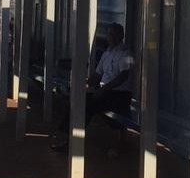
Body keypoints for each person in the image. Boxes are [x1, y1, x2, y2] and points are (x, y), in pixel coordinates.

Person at [51, 23, 135, 153]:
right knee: (78, 99)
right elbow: (97, 74)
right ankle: (65, 134)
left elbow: (124, 76)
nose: (110, 37)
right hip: (105, 92)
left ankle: (71, 140)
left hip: (119, 95)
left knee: (87, 104)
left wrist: (104, 89)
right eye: (109, 34)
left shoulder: (126, 53)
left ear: (121, 35)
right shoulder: (107, 53)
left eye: (113, 34)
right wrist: (84, 84)